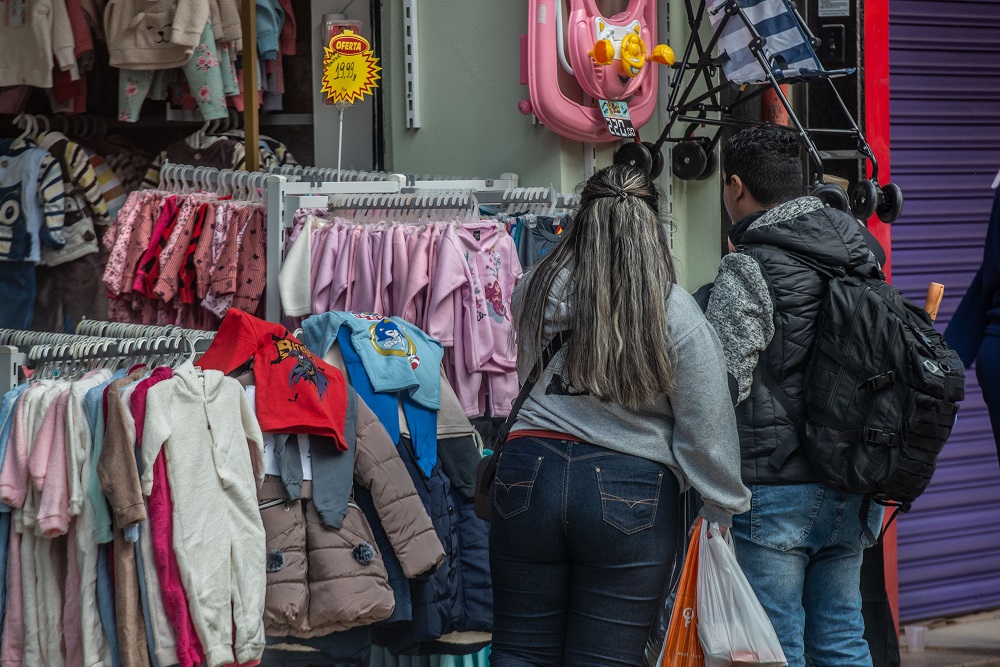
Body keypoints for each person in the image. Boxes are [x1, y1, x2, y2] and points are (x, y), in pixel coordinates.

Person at [489, 165, 750, 667]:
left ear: (582, 218)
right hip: (628, 493)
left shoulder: (534, 287)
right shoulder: (672, 311)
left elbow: (529, 374)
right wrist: (720, 509)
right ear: (651, 225)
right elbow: (705, 426)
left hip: (526, 478)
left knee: (520, 650)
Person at [705, 125, 886, 667]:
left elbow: (720, 383)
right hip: (851, 481)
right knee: (842, 638)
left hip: (775, 490)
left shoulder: (749, 265)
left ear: (735, 186)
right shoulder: (862, 257)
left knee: (774, 646)